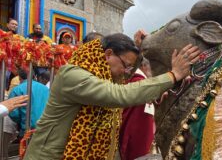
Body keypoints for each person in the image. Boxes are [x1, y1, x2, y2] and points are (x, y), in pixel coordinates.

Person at [24, 33, 200, 160]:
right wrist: (173, 75)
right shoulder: (73, 75)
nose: (125, 71)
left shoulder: (105, 74)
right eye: (125, 65)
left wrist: (142, 47)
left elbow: (128, 79)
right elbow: (119, 95)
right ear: (108, 54)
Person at [119, 57, 156, 160]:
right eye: (150, 68)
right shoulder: (140, 82)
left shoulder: (134, 80)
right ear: (144, 66)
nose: (151, 72)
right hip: (136, 137)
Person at [8, 69, 49, 137]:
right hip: (46, 128)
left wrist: (21, 122)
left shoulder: (17, 89)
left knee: (27, 147)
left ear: (19, 78)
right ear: (34, 76)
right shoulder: (45, 89)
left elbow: (14, 113)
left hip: (27, 129)